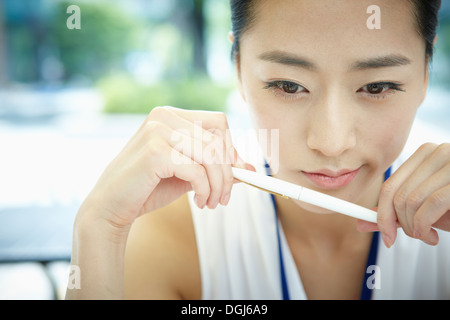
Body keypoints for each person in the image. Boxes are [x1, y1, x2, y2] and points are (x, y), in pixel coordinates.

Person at [65, 0, 449, 300]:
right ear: (238, 67)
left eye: (378, 87)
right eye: (288, 85)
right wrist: (98, 227)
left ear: (426, 72)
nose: (331, 142)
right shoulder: (175, 235)